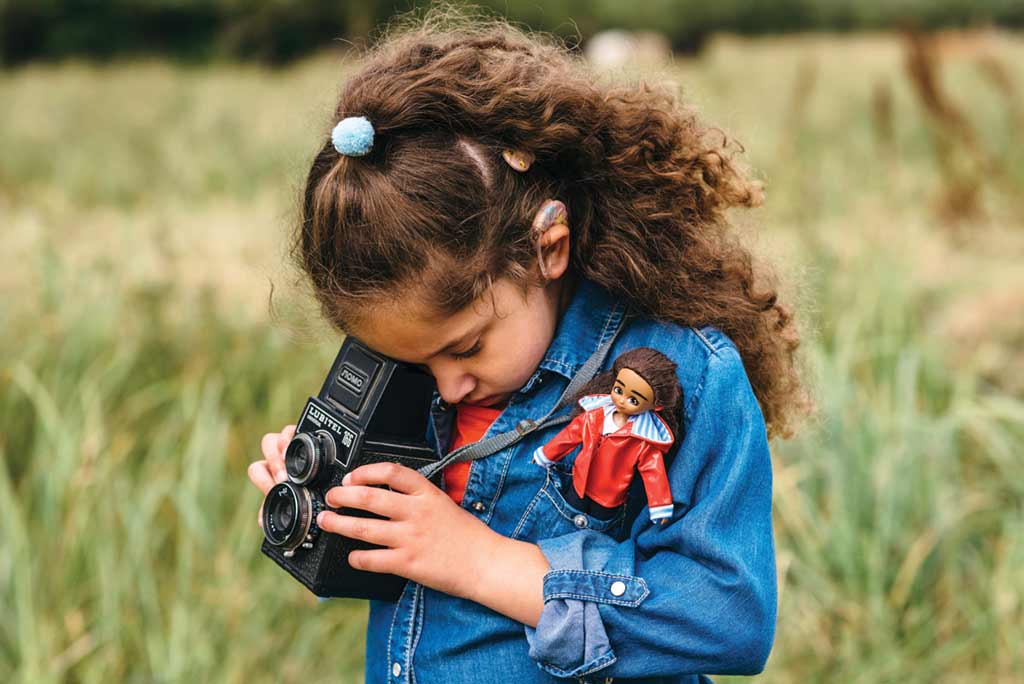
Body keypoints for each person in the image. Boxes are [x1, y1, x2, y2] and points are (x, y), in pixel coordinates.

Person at [247, 10, 807, 684]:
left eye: (467, 347)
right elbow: (420, 597)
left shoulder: (678, 375)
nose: (447, 386)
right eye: (416, 360)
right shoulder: (424, 369)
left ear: (549, 248)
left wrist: (484, 561)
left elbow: (728, 617)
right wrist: (329, 513)